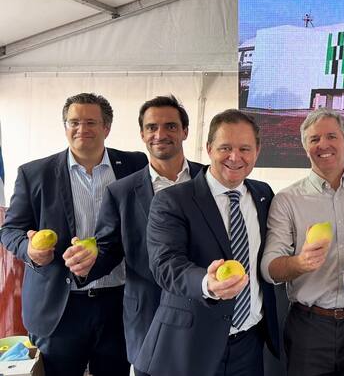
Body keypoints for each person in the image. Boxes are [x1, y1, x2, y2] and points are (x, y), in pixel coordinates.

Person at [0, 93, 147, 376]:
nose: (82, 129)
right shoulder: (35, 173)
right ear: (65, 126)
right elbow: (10, 230)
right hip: (59, 306)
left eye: (91, 122)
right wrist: (28, 250)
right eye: (74, 122)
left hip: (119, 302)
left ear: (107, 127)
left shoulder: (134, 165)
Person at [138, 109, 280, 376]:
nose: (235, 157)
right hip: (191, 344)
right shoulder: (173, 200)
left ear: (257, 151)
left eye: (244, 148)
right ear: (209, 148)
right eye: (225, 147)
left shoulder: (263, 194)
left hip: (249, 344)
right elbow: (165, 264)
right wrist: (207, 283)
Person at [262, 108, 344, 375]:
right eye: (314, 139)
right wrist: (300, 263)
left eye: (331, 136)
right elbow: (270, 268)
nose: (323, 145)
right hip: (310, 328)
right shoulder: (287, 200)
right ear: (304, 147)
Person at [82, 95, 202, 376]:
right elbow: (108, 249)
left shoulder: (209, 180)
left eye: (171, 126)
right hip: (148, 312)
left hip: (204, 308)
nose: (160, 134)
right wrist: (86, 262)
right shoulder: (121, 192)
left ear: (185, 131)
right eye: (152, 127)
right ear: (142, 134)